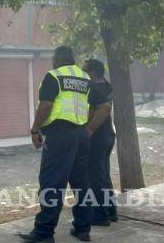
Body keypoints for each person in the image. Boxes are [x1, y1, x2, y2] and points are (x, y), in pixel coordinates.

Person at [18, 46, 92, 243]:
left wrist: (35, 130)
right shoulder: (85, 78)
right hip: (81, 134)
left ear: (56, 59)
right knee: (81, 183)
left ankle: (43, 233)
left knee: (52, 183)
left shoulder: (54, 76)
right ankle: (83, 228)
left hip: (61, 135)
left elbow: (46, 105)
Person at [83, 58, 118, 225]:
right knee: (103, 175)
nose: (83, 72)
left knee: (95, 177)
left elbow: (104, 109)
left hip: (97, 137)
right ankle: (111, 211)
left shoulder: (94, 88)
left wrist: (89, 129)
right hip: (108, 136)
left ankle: (100, 216)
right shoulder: (107, 85)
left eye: (85, 70)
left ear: (93, 72)